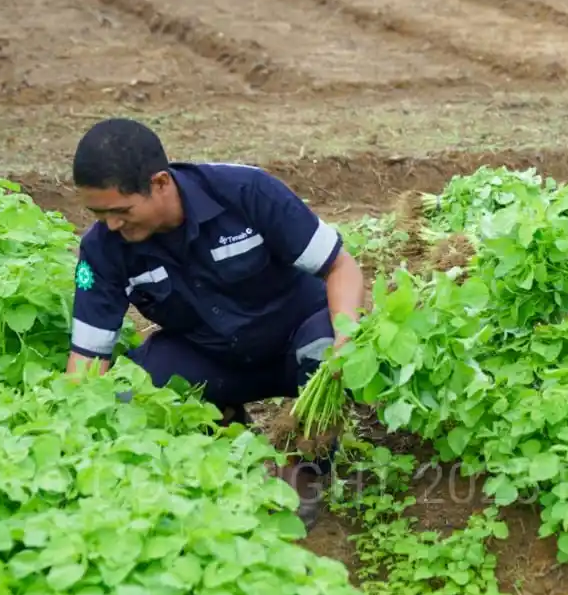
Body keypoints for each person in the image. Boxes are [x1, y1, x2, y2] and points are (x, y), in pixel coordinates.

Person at [65, 118, 364, 528]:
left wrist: (346, 341)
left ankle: (304, 465)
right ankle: (225, 430)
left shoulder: (246, 192)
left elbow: (340, 268)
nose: (111, 225)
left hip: (297, 344)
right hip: (214, 359)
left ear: (160, 184)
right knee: (131, 390)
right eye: (98, 214)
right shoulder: (102, 249)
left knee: (325, 346)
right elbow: (86, 359)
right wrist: (69, 440)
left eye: (120, 211)